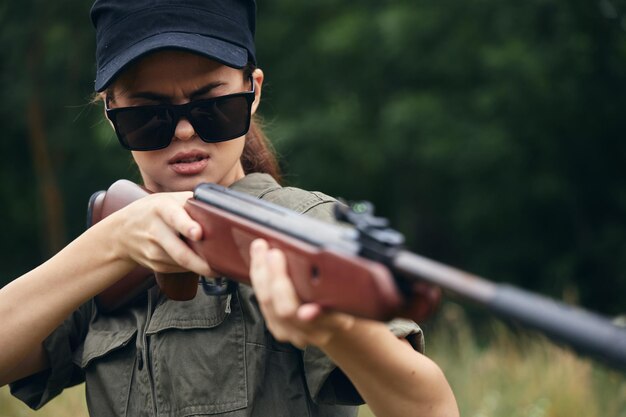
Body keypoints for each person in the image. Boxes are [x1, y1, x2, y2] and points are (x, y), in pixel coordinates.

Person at [0, 1, 459, 416]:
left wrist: (340, 333)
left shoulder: (306, 226)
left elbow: (431, 409)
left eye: (212, 106)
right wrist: (113, 242)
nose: (183, 131)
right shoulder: (111, 250)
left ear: (252, 90)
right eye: (147, 115)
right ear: (110, 112)